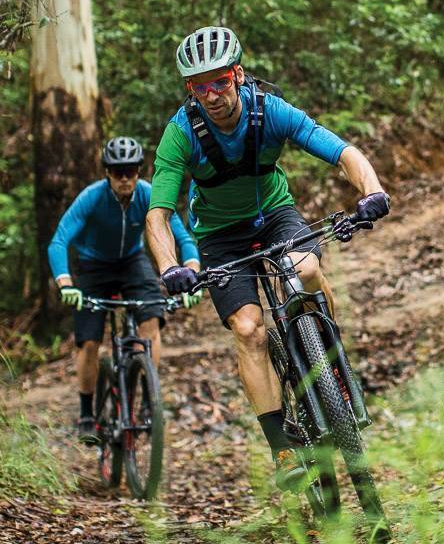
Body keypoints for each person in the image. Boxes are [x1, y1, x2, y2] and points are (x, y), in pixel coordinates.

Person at [145, 26, 390, 490]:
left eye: (221, 81)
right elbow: (158, 216)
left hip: (274, 214)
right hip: (219, 237)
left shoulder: (268, 110)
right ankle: (281, 444)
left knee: (307, 268)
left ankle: (329, 357)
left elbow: (343, 152)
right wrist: (170, 267)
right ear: (189, 90)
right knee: (248, 328)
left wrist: (372, 191)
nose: (213, 94)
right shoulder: (180, 135)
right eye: (201, 86)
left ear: (238, 75)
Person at [49, 136, 201, 442]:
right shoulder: (92, 198)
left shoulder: (148, 194)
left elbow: (183, 238)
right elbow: (59, 240)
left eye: (130, 171)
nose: (124, 178)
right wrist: (65, 283)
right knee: (89, 342)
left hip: (132, 262)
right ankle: (87, 413)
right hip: (94, 266)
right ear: (107, 172)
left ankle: (148, 396)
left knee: (151, 319)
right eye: (117, 171)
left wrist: (192, 273)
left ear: (138, 171)